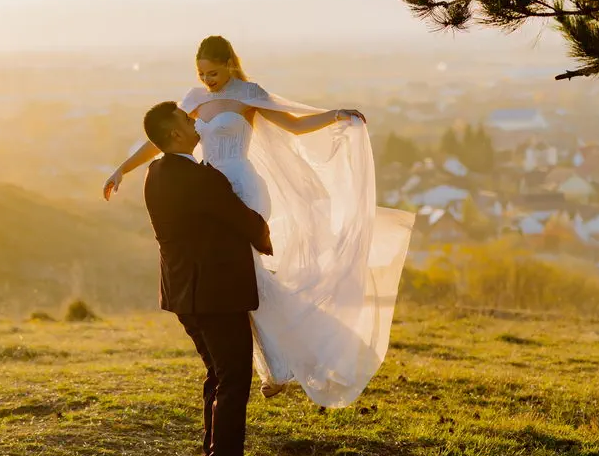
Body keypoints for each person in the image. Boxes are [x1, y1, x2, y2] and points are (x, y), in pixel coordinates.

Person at [105, 36, 415, 408]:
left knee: (245, 272)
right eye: (202, 74)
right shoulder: (193, 100)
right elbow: (159, 141)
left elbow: (293, 125)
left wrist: (335, 115)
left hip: (240, 185)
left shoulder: (249, 94)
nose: (208, 81)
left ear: (230, 64)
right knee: (240, 278)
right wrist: (122, 169)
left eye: (214, 72)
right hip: (204, 185)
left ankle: (276, 366)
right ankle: (278, 362)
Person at [140, 101, 272, 456]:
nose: (194, 120)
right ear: (176, 134)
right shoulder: (200, 179)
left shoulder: (156, 173)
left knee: (217, 378)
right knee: (234, 382)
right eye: (186, 119)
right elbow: (243, 219)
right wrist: (268, 238)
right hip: (216, 294)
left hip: (183, 294)